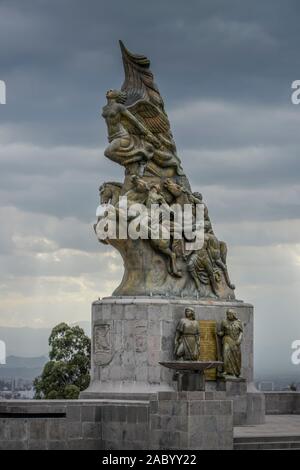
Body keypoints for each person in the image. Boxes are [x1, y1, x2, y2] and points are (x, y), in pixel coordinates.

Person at [217, 309, 243, 377]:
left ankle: (236, 372)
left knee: (236, 357)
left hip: (235, 341)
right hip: (227, 339)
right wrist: (220, 333)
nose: (228, 315)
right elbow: (223, 331)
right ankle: (226, 371)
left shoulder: (238, 322)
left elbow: (241, 332)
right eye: (227, 314)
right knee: (226, 355)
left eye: (229, 314)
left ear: (233, 315)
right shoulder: (224, 322)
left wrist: (239, 339)